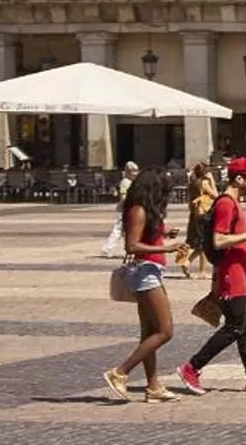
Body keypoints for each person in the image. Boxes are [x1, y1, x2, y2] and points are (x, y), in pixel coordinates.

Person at [176, 157, 246, 394]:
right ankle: (192, 367)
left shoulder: (235, 203)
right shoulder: (226, 203)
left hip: (244, 275)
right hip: (231, 276)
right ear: (239, 178)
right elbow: (219, 240)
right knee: (234, 327)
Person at [105, 167, 180, 402]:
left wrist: (164, 233)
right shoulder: (138, 210)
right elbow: (132, 246)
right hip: (145, 273)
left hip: (151, 271)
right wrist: (165, 248)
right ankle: (120, 372)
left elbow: (146, 235)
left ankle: (153, 386)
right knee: (165, 331)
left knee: (149, 332)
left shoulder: (145, 210)